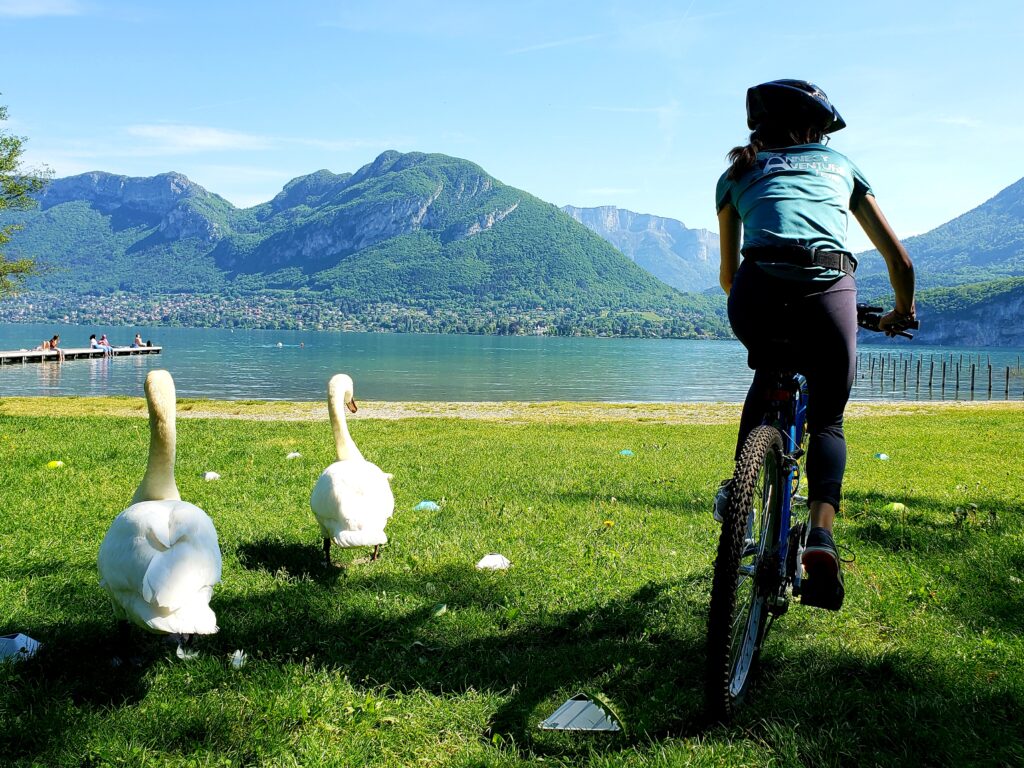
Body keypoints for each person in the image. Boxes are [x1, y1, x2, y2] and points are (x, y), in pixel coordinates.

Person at [714, 79, 915, 610]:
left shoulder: (736, 174)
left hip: (755, 295)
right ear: (810, 129)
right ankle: (821, 535)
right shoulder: (841, 167)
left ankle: (740, 489)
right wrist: (901, 311)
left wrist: (764, 303)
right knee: (827, 418)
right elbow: (901, 263)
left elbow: (729, 276)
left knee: (768, 375)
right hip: (829, 294)